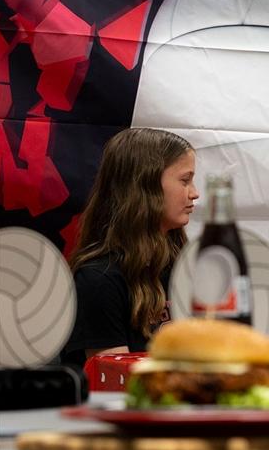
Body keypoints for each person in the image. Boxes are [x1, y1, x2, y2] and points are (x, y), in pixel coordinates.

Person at [61, 128, 199, 365]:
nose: (195, 193)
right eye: (185, 180)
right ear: (146, 186)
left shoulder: (184, 265)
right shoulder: (98, 279)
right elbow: (114, 383)